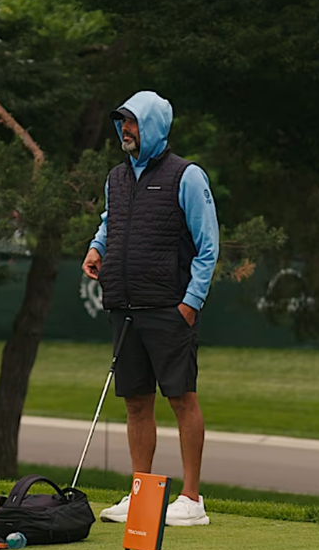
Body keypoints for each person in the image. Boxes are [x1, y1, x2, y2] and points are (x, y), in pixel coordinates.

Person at [82, 91, 219, 527]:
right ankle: (141, 493)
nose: (126, 129)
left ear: (154, 125)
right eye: (122, 122)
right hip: (123, 306)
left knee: (181, 399)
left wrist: (190, 304)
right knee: (136, 402)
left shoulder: (187, 176)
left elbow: (208, 246)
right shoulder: (116, 178)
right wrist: (96, 248)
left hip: (168, 307)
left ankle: (192, 500)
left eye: (133, 122)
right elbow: (111, 220)